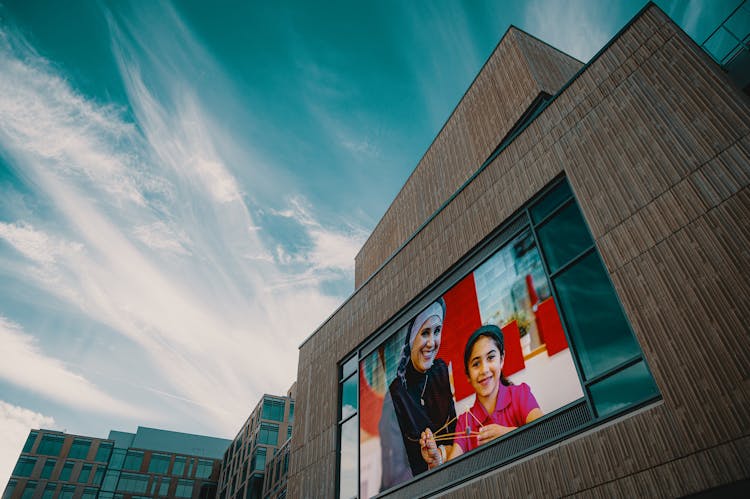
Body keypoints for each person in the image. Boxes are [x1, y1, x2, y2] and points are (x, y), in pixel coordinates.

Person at [420, 324, 542, 466]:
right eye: (476, 364)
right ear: (468, 376)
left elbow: (544, 430)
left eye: (490, 358)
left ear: (501, 359)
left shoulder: (521, 395)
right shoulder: (465, 421)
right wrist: (438, 458)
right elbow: (453, 466)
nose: (484, 370)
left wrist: (510, 434)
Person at [379, 298, 456, 489]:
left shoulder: (440, 371)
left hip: (454, 475)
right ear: (411, 337)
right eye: (425, 333)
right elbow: (395, 474)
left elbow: (455, 433)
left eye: (437, 331)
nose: (431, 343)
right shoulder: (396, 395)